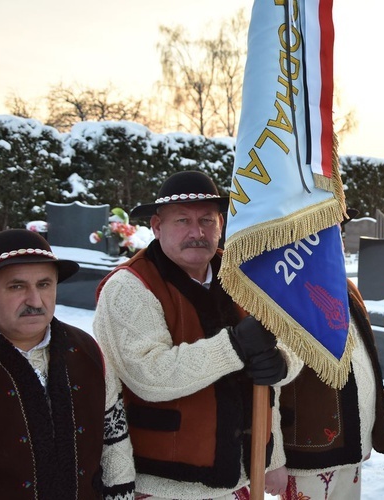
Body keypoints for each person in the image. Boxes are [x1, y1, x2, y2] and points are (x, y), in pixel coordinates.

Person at [93, 170, 301, 499]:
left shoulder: (245, 275)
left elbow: (292, 336)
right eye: (182, 221)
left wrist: (284, 362)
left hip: (239, 477)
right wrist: (234, 345)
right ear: (157, 226)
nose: (197, 232)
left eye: (206, 220)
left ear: (221, 224)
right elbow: (149, 375)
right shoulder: (128, 287)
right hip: (166, 483)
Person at [0, 229, 135, 499]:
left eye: (44, 284)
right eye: (17, 286)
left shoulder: (87, 350)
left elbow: (114, 444)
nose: (35, 301)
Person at [266, 278, 384, 499]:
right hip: (307, 457)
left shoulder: (346, 285)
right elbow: (269, 385)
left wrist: (368, 433)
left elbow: (364, 358)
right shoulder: (282, 286)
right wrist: (273, 459)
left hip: (351, 449)